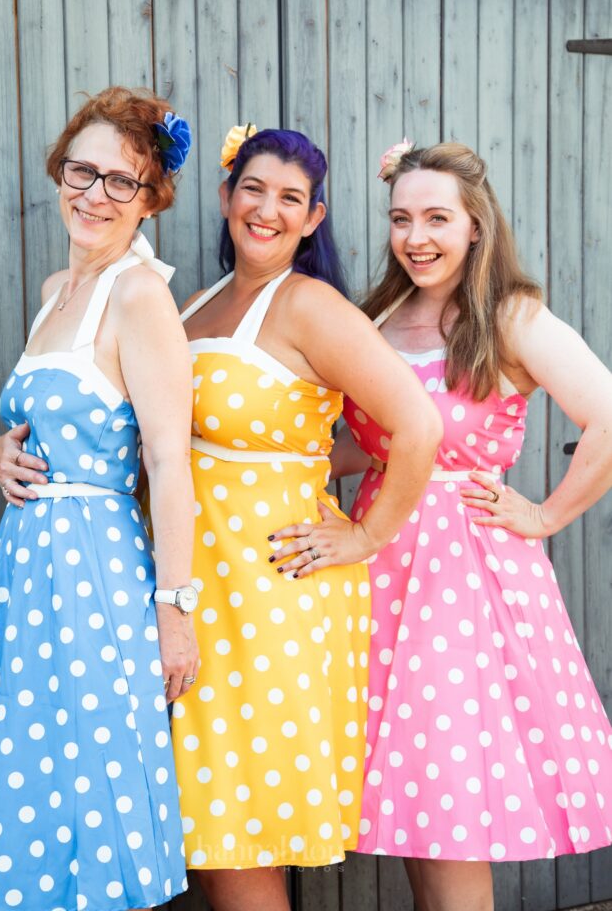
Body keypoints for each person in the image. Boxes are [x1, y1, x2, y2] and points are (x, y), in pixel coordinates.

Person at [0, 87, 199, 911]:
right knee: (28, 770)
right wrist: (0, 448)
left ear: (151, 197)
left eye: (123, 180)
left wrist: (174, 610)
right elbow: (50, 415)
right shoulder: (57, 289)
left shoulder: (138, 295)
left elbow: (168, 459)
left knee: (85, 779)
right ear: (58, 174)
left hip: (95, 574)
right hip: (27, 572)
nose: (95, 194)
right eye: (82, 171)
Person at [332, 140, 612, 910]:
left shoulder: (508, 315)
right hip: (378, 564)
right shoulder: (378, 312)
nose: (415, 237)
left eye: (434, 218)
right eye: (399, 219)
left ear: (474, 226)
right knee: (416, 808)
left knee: (452, 803)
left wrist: (547, 513)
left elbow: (607, 416)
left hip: (463, 579)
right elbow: (364, 443)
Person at [172, 125, 442, 911]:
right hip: (199, 589)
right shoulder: (199, 301)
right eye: (253, 189)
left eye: (290, 198)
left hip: (266, 595)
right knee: (212, 826)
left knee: (238, 829)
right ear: (225, 197)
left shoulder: (308, 305)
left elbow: (415, 427)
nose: (267, 209)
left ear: (313, 218)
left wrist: (364, 536)